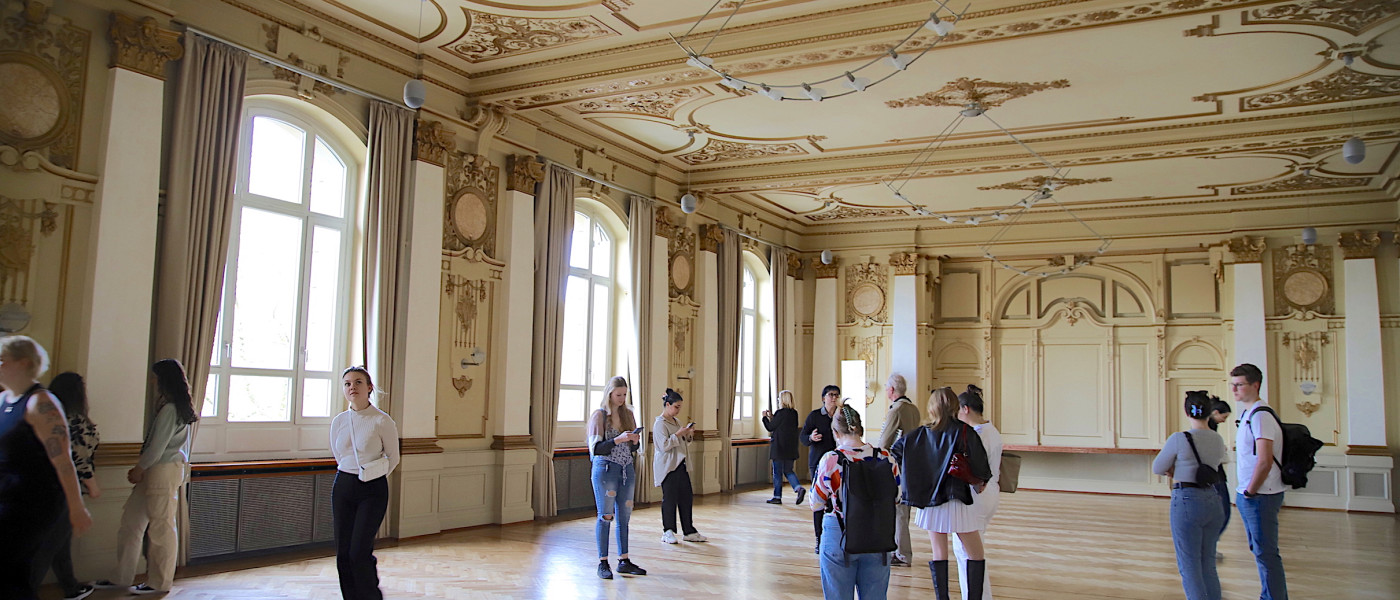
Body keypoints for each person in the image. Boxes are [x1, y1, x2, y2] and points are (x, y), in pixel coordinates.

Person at [0, 336, 92, 600]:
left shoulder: (42, 404)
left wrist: (76, 508)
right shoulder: (4, 400)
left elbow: (63, 460)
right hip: (6, 499)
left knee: (14, 576)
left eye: (3, 361)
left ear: (24, 363)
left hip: (32, 504)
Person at [94, 358, 195, 595]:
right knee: (131, 523)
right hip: (158, 470)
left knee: (161, 526)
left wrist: (139, 467)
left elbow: (157, 447)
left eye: (155, 376)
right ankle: (121, 576)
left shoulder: (171, 410)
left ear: (163, 380)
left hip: (162, 470)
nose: (152, 381)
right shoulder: (172, 407)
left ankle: (159, 582)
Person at [891, 387, 992, 600]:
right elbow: (980, 465)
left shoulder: (919, 434)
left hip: (930, 500)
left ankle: (942, 598)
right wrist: (981, 481)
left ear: (932, 407)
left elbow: (895, 452)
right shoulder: (965, 431)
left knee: (939, 553)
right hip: (958, 498)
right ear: (955, 406)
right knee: (975, 554)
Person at [809, 405, 900, 600]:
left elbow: (816, 502)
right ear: (860, 428)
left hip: (839, 532)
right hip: (878, 534)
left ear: (835, 432)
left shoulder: (831, 460)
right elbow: (897, 496)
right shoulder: (886, 457)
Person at [326, 366, 398, 600]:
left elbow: (393, 458)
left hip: (372, 488)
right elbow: (339, 454)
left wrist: (372, 476)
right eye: (347, 383)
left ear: (369, 388)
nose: (352, 387)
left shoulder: (381, 420)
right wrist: (351, 473)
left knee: (359, 551)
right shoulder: (339, 421)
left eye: (358, 382)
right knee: (344, 552)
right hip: (343, 486)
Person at [1152, 391, 1228, 600]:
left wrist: (1174, 469)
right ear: (1209, 413)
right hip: (1213, 500)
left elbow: (1157, 467)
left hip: (1186, 500)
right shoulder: (1217, 439)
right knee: (1208, 564)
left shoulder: (1179, 438)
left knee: (1189, 566)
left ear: (1187, 413)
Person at [35, 372, 100, 600]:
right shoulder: (76, 421)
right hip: (63, 489)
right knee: (49, 544)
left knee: (56, 542)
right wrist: (92, 485)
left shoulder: (43, 416)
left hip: (36, 486)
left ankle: (71, 587)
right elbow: (80, 459)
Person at [1230, 363, 1288, 599]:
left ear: (1255, 385)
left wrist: (1251, 491)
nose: (1234, 390)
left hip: (1260, 495)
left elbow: (1264, 460)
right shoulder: (1248, 414)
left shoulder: (1260, 416)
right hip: (1253, 493)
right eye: (1232, 385)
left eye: (1239, 385)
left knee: (1266, 553)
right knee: (1260, 550)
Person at [588, 376, 646, 579]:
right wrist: (617, 439)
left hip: (626, 468)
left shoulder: (629, 414)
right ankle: (603, 562)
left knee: (625, 516)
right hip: (606, 469)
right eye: (618, 395)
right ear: (609, 394)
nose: (621, 399)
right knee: (605, 515)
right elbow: (596, 449)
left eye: (624, 395)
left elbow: (633, 448)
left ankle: (624, 560)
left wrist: (635, 441)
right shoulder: (600, 416)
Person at [952, 385, 1001, 600]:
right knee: (972, 550)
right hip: (991, 493)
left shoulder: (976, 435)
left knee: (967, 553)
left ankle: (977, 596)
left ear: (965, 409)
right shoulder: (992, 430)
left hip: (977, 495)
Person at [877, 374, 920, 567]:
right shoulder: (913, 409)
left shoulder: (896, 409)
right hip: (911, 464)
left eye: (887, 387)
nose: (886, 390)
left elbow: (885, 441)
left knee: (898, 511)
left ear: (892, 390)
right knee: (903, 510)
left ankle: (901, 553)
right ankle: (899, 550)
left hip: (897, 464)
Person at [653, 388, 706, 544]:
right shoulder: (659, 424)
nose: (678, 410)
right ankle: (667, 530)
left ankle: (688, 530)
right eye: (676, 407)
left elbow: (682, 444)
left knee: (686, 498)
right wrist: (678, 435)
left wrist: (688, 434)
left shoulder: (677, 422)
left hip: (680, 464)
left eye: (679, 407)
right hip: (668, 467)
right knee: (669, 499)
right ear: (668, 404)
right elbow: (663, 446)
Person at [801, 385, 840, 553]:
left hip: (837, 462)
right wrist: (811, 437)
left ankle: (833, 537)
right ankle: (819, 538)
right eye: (831, 395)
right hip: (818, 462)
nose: (834, 398)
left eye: (836, 395)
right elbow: (803, 437)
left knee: (835, 501)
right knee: (818, 502)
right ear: (823, 398)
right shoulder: (815, 416)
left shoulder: (841, 415)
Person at [761, 389, 805, 505]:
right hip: (790, 448)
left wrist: (765, 418)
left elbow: (771, 427)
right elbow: (782, 425)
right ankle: (798, 487)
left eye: (779, 398)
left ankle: (777, 496)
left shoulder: (780, 413)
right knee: (788, 470)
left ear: (783, 400)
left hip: (779, 448)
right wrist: (773, 416)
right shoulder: (794, 413)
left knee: (777, 473)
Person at [1207, 397, 1231, 561]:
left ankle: (1210, 547)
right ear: (1216, 413)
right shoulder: (1209, 430)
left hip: (1216, 475)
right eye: (1224, 416)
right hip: (1215, 477)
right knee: (1222, 512)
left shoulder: (1211, 428)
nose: (1224, 420)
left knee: (1222, 513)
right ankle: (1209, 548)